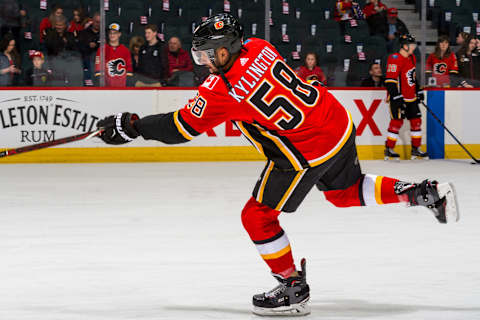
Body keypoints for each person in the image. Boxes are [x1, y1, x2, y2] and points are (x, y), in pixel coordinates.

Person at [95, 14, 459, 317]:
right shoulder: (259, 46)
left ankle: (292, 288)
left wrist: (132, 127)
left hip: (304, 151)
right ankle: (421, 192)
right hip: (335, 121)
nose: (202, 61)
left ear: (224, 51)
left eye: (207, 54)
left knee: (257, 216)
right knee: (345, 192)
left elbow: (180, 128)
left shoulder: (222, 90)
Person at [384, 34, 427, 160]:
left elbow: (412, 76)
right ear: (404, 46)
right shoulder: (394, 58)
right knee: (396, 122)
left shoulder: (411, 57)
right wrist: (396, 97)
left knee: (416, 121)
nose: (414, 47)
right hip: (398, 96)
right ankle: (389, 149)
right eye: (412, 45)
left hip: (411, 97)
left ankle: (416, 149)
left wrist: (418, 90)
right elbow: (390, 80)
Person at [94, 23, 133, 87]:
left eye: (114, 33)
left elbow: (129, 71)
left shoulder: (125, 50)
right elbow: (98, 71)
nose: (112, 35)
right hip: (107, 88)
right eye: (110, 33)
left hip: (122, 88)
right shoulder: (102, 49)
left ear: (119, 34)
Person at [78, 12, 100, 85]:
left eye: (100, 22)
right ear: (92, 21)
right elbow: (80, 48)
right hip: (87, 60)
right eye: (97, 22)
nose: (98, 24)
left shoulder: (105, 33)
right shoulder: (84, 33)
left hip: (101, 61)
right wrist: (88, 45)